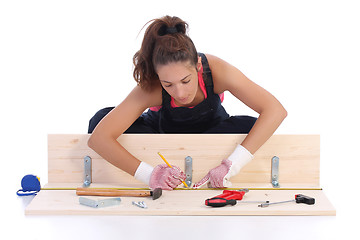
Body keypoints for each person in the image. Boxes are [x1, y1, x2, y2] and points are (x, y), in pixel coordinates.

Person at [87, 15, 287, 190]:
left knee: (255, 127)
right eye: (168, 84)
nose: (180, 93)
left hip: (212, 130)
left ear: (198, 66)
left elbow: (275, 110)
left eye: (186, 81)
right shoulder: (151, 87)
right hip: (162, 133)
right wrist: (150, 175)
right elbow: (98, 138)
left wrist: (232, 164)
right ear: (158, 77)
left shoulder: (218, 70)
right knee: (100, 120)